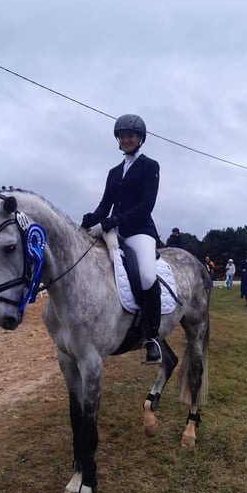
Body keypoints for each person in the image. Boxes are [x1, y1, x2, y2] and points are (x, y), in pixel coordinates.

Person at [81, 114, 162, 362]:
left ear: (140, 138)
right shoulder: (114, 172)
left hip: (140, 231)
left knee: (147, 276)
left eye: (130, 136)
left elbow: (147, 204)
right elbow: (105, 205)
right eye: (122, 136)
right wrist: (91, 219)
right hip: (114, 231)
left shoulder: (150, 166)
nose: (125, 140)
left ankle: (152, 337)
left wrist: (116, 220)